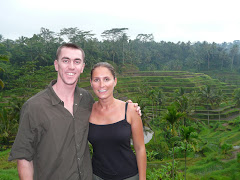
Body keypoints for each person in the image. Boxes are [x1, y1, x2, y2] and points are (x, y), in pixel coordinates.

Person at [9, 43, 141, 180]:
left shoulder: (86, 100)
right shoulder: (34, 107)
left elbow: (107, 109)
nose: (71, 66)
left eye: (76, 61)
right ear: (56, 64)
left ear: (82, 67)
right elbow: (24, 158)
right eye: (65, 60)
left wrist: (131, 107)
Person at [88, 62, 147, 180]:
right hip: (97, 176)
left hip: (128, 176)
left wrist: (142, 178)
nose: (101, 85)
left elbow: (140, 148)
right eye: (96, 80)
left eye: (106, 79)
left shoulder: (130, 110)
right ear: (91, 83)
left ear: (115, 81)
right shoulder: (87, 111)